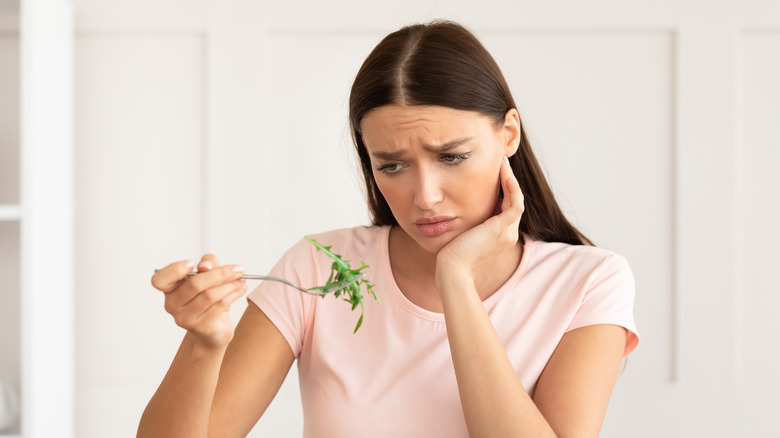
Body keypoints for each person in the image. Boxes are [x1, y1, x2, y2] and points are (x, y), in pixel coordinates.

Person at [138, 20, 639, 438]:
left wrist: (457, 280)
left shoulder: (589, 282)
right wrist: (204, 344)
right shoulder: (321, 267)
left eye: (452, 157)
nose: (425, 196)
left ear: (508, 134)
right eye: (392, 166)